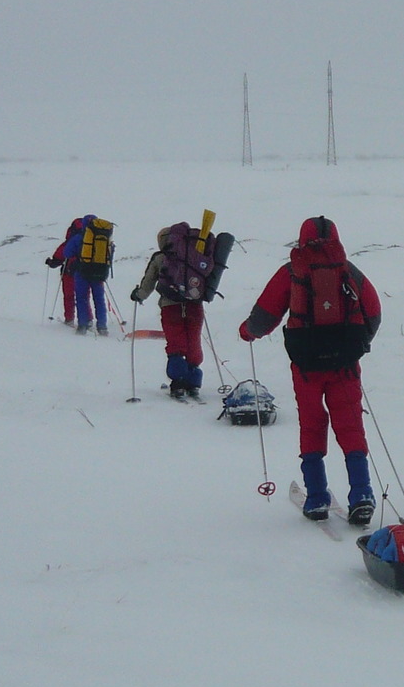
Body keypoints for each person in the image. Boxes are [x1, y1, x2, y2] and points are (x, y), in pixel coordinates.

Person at [238, 216, 381, 524]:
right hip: (344, 363)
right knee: (351, 425)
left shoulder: (292, 270)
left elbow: (265, 314)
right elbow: (374, 311)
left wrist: (248, 331)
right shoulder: (348, 270)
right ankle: (362, 494)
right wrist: (358, 344)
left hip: (306, 364)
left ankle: (316, 497)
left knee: (312, 424)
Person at [130, 220, 233, 401]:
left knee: (176, 343)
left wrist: (138, 295)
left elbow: (148, 283)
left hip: (170, 306)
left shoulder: (161, 258)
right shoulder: (196, 255)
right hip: (195, 306)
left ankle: (178, 384)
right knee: (193, 342)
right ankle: (193, 384)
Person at [45, 216, 85, 325]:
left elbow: (57, 259)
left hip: (69, 273)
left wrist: (50, 262)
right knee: (84, 297)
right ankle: (87, 320)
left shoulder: (69, 242)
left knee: (69, 297)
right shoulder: (89, 243)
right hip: (86, 273)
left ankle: (69, 319)